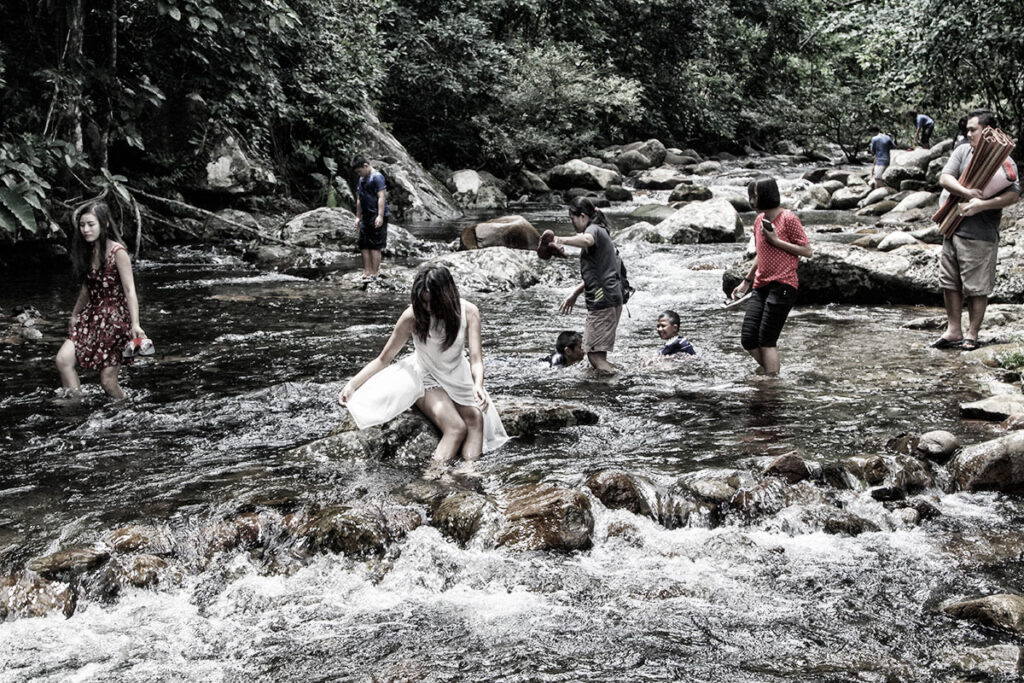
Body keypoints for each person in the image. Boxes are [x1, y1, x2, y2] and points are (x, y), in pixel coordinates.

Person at [338, 265, 508, 476]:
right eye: (423, 302)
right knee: (456, 427)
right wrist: (352, 385)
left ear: (447, 296)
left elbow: (476, 360)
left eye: (432, 302)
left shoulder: (469, 312)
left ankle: (469, 474)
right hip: (425, 376)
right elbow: (384, 358)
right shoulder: (412, 316)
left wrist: (478, 385)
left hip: (457, 374)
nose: (427, 308)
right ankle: (433, 477)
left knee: (475, 418)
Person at [931, 109, 1021, 351]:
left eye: (973, 129)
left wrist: (982, 204)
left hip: (980, 234)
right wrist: (967, 192)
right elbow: (945, 178)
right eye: (967, 129)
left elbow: (1013, 194)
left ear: (988, 131)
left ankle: (972, 334)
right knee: (949, 281)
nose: (968, 133)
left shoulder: (1003, 159)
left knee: (976, 286)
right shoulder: (963, 151)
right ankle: (953, 330)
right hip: (953, 227)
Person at [55, 201, 145, 399]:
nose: (85, 230)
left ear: (104, 225)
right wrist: (74, 314)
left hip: (115, 322)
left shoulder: (118, 252)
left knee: (108, 383)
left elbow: (130, 290)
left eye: (91, 224)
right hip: (91, 318)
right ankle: (75, 407)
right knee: (63, 360)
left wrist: (136, 324)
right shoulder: (87, 251)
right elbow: (87, 289)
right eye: (82, 225)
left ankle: (125, 411)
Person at [730, 177, 813, 375]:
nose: (751, 201)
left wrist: (776, 241)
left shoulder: (788, 218)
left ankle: (771, 382)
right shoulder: (759, 220)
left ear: (767, 195)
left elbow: (807, 250)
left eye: (755, 196)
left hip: (783, 285)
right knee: (748, 338)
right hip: (761, 285)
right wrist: (746, 281)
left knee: (767, 341)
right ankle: (772, 373)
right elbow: (761, 252)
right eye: (751, 196)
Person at [554, 197, 624, 372]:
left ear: (583, 216)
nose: (572, 223)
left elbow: (586, 240)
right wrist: (575, 293)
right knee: (599, 354)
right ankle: (613, 381)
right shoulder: (602, 231)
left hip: (603, 300)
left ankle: (618, 384)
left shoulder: (593, 230)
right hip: (612, 297)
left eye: (572, 219)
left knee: (593, 355)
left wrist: (559, 239)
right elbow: (600, 271)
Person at [351, 156, 389, 280]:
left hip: (375, 215)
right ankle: (366, 272)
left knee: (375, 246)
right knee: (364, 245)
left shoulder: (377, 177)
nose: (359, 174)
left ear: (366, 165)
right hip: (365, 216)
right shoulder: (362, 178)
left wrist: (380, 216)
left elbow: (381, 197)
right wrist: (358, 217)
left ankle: (374, 273)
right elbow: (359, 198)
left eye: (359, 171)